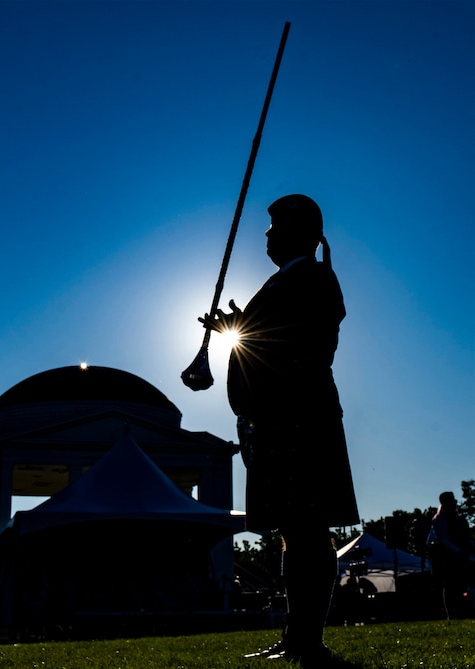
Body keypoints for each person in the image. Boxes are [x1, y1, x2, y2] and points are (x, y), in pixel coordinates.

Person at [200, 194, 359, 665]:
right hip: (275, 423)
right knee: (295, 530)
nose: (266, 235)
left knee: (307, 530)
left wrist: (246, 329)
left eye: (274, 227)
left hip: (298, 421)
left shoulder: (314, 278)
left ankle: (307, 639)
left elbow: (304, 342)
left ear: (297, 233)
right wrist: (239, 326)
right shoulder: (286, 283)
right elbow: (280, 336)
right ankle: (298, 637)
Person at [427, 491, 475, 619]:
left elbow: (468, 537)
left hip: (462, 554)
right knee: (449, 584)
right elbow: (442, 538)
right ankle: (451, 614)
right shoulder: (439, 519)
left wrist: (470, 548)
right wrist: (457, 551)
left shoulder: (460, 519)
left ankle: (463, 611)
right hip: (447, 556)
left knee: (462, 583)